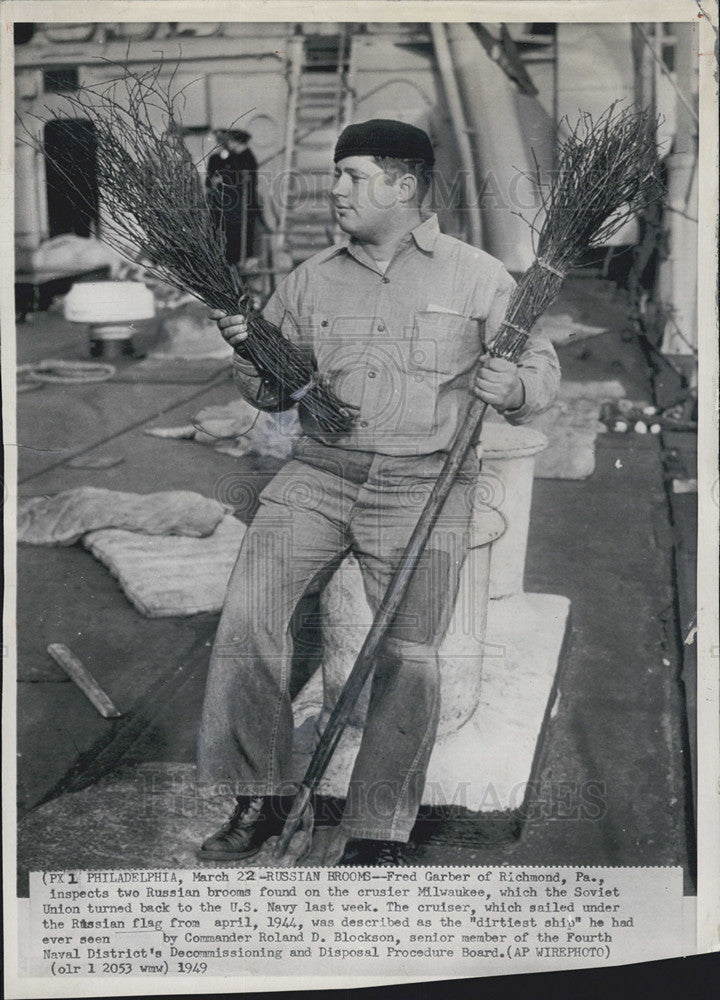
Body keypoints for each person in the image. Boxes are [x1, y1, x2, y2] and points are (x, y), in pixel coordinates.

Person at [196, 119, 560, 866]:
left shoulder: (478, 276)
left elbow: (544, 372)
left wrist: (516, 383)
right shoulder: (307, 278)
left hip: (424, 483)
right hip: (320, 474)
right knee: (246, 616)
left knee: (409, 652)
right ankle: (260, 796)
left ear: (404, 185)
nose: (335, 190)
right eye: (337, 175)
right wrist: (249, 353)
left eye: (353, 176)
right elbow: (270, 395)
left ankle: (378, 826)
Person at [205, 129, 260, 265]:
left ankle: (237, 261)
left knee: (240, 238)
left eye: (231, 142)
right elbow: (211, 180)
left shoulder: (245, 158)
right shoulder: (222, 158)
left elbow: (240, 180)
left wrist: (222, 179)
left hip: (241, 205)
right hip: (227, 205)